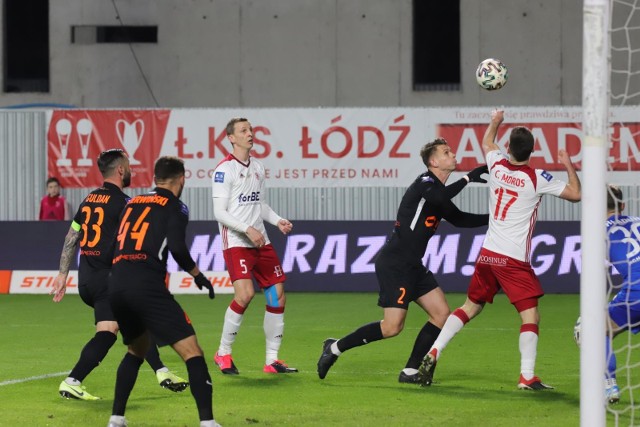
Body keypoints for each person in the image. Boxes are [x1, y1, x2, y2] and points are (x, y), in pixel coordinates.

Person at [419, 109, 581, 390]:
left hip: (488, 253)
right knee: (531, 315)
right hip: (513, 258)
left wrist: (496, 120)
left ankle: (434, 351)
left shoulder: (496, 164)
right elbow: (576, 195)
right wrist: (568, 164)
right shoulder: (537, 177)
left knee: (470, 306)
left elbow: (487, 142)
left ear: (508, 149)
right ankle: (527, 375)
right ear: (532, 151)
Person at [317, 138, 490, 384]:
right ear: (433, 161)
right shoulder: (425, 183)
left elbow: (460, 219)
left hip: (413, 265)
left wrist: (496, 218)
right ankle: (334, 348)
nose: (453, 154)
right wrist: (468, 178)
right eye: (446, 152)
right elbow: (440, 199)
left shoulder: (438, 194)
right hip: (395, 263)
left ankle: (410, 371)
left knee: (441, 313)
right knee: (391, 327)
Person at [50, 149, 189, 401]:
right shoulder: (124, 204)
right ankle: (73, 380)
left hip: (87, 281)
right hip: (108, 279)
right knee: (111, 332)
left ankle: (162, 372)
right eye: (129, 166)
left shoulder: (88, 199)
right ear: (121, 170)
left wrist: (62, 275)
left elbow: (72, 237)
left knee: (131, 324)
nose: (132, 170)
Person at [107, 156, 218, 427]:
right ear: (182, 179)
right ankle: (208, 422)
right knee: (193, 351)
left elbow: (116, 243)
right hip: (146, 285)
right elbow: (178, 248)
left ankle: (116, 419)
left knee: (138, 348)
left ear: (155, 178)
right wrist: (197, 275)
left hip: (117, 284)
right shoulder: (175, 207)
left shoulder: (131, 202)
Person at [211, 117, 297, 375]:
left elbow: (259, 205)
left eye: (251, 130)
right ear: (231, 138)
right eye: (243, 131)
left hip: (261, 241)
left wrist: (277, 220)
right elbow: (219, 212)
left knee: (277, 295)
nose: (250, 134)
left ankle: (272, 360)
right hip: (237, 242)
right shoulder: (224, 170)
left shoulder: (258, 167)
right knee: (245, 294)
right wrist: (247, 229)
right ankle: (223, 353)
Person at [602, 185, 640, 404]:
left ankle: (609, 386)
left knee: (595, 331)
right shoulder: (637, 219)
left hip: (636, 292)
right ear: (623, 205)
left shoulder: (598, 232)